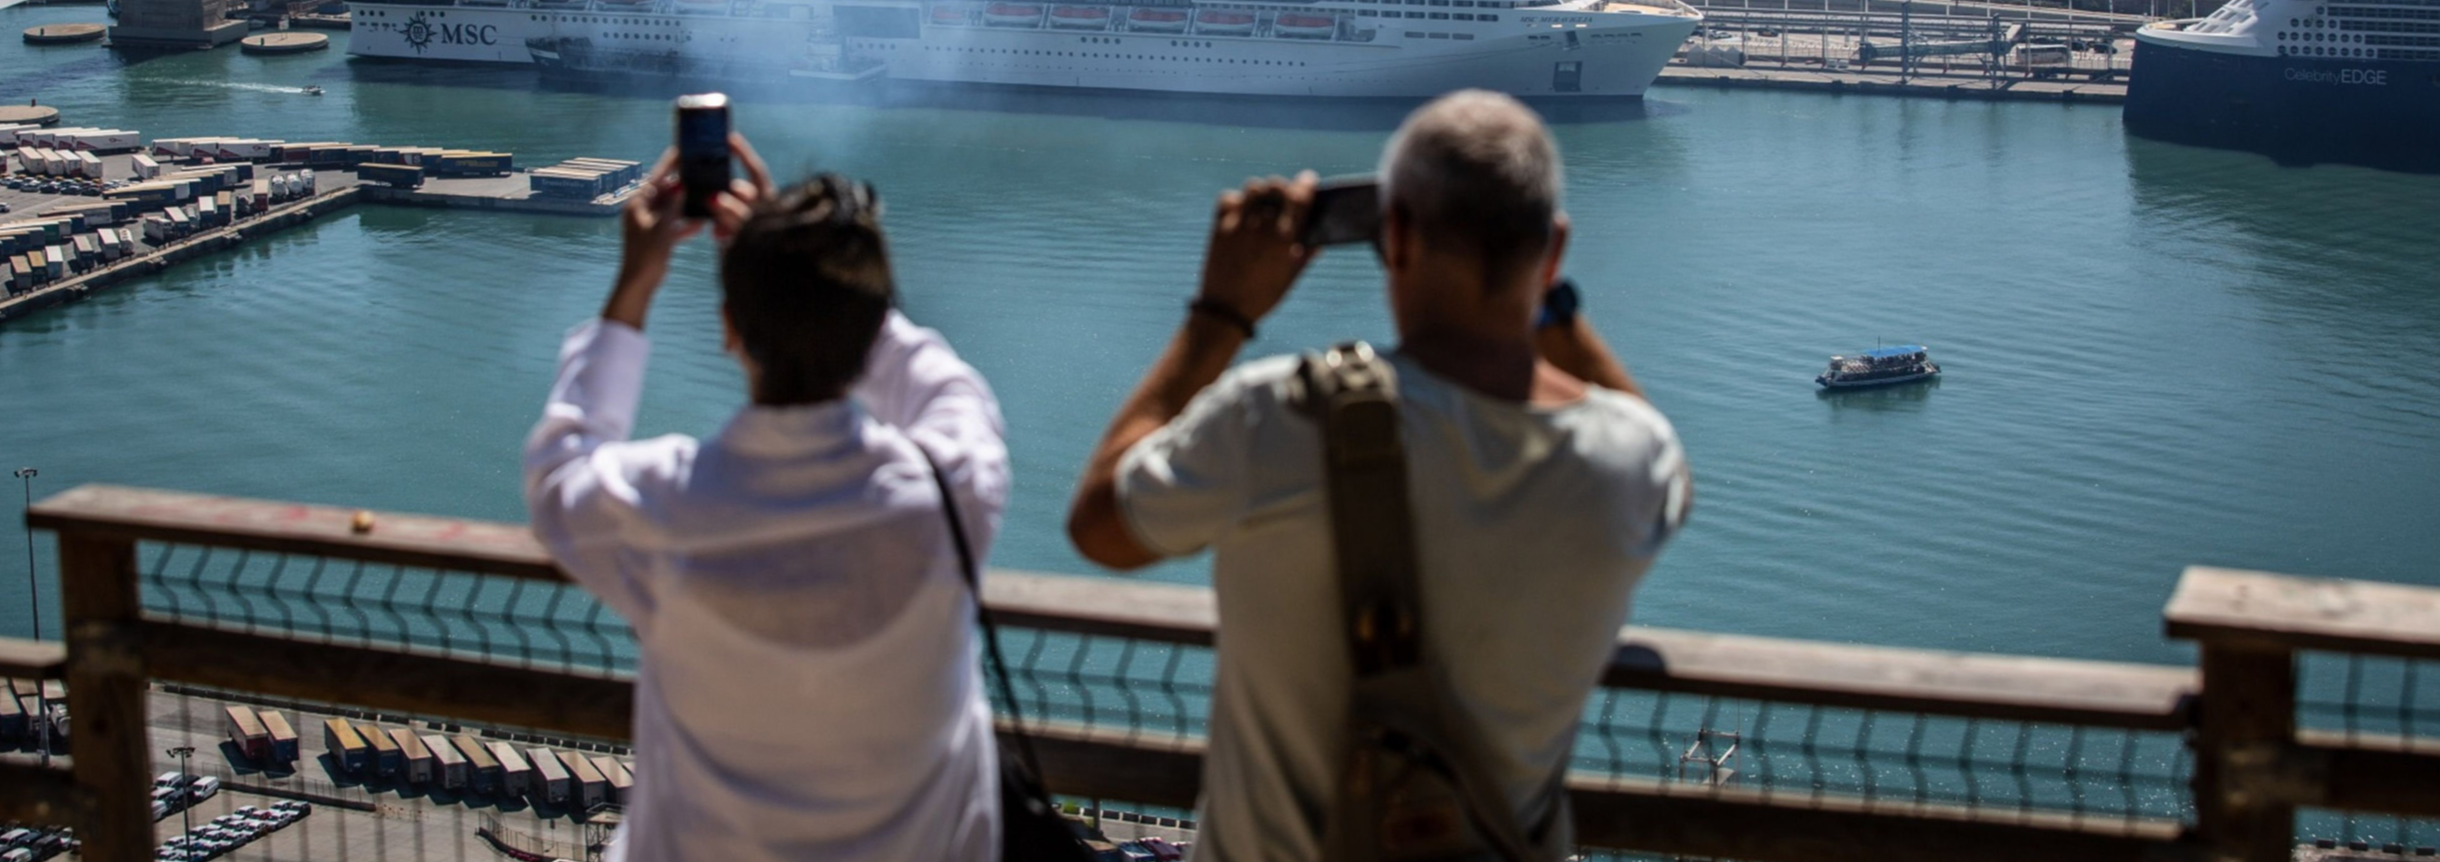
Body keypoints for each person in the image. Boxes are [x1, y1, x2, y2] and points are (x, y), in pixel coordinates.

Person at [1067, 90, 1691, 861]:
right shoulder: (1632, 459)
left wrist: (1220, 312)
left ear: (1394, 236)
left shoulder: (1276, 417)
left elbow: (1100, 526)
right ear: (1554, 252)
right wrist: (1547, 302)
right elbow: (1667, 467)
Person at [525, 137, 1008, 862]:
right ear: (867, 327)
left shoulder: (666, 506)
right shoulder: (949, 494)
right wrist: (818, 284)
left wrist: (637, 279)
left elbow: (561, 468)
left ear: (728, 331)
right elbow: (949, 388)